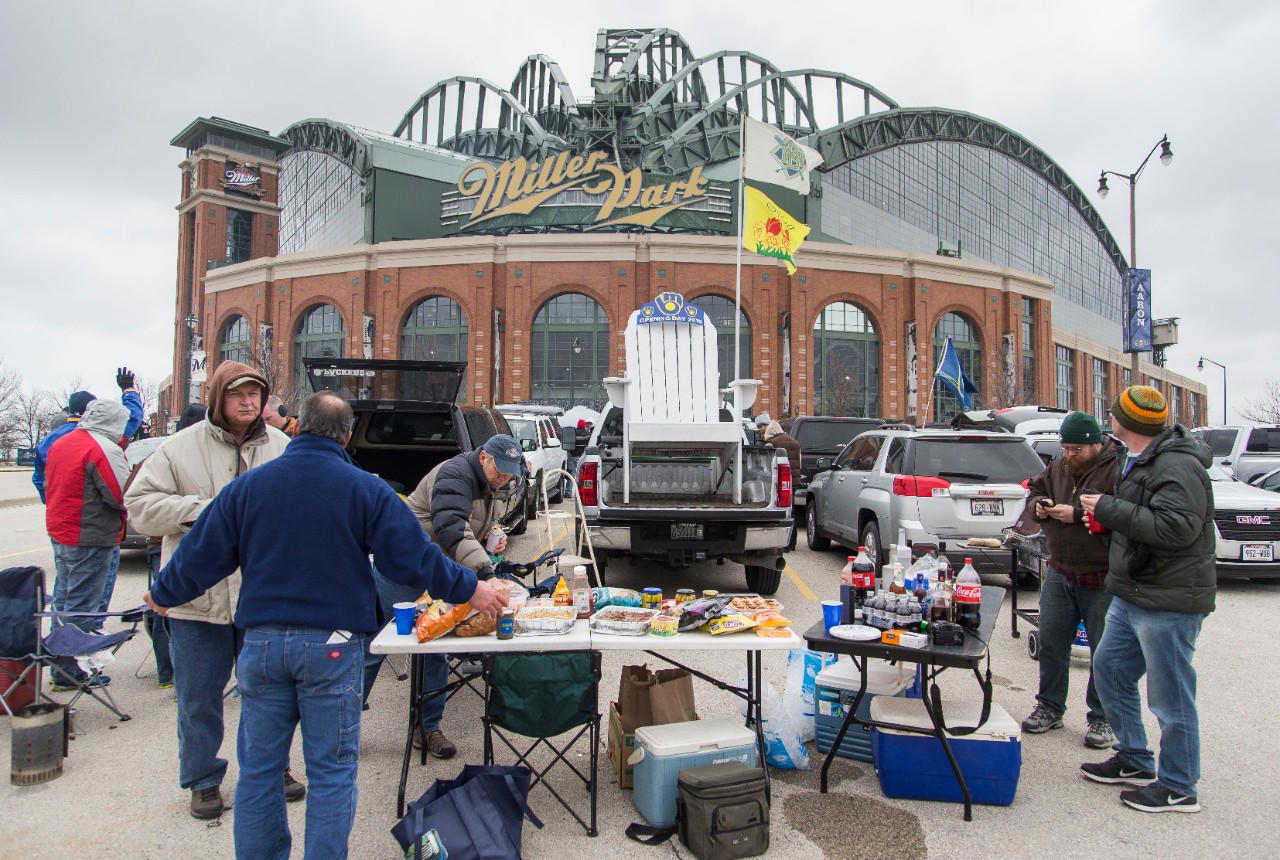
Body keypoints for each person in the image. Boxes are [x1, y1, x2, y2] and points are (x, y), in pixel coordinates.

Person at [144, 391, 509, 860]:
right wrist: (471, 588)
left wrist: (163, 593)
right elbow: (413, 558)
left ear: (297, 427)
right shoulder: (366, 489)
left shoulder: (249, 487)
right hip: (332, 648)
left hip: (262, 645)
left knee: (258, 771)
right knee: (331, 772)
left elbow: (200, 554)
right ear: (347, 435)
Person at [124, 362, 295, 820]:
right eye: (237, 394)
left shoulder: (282, 448)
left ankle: (271, 768)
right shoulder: (179, 448)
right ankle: (202, 780)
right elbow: (139, 507)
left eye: (255, 394)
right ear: (218, 397)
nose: (248, 402)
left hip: (262, 599)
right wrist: (204, 510)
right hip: (199, 601)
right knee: (198, 697)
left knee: (269, 695)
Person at [1079, 386, 1215, 814]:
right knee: (1110, 668)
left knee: (1170, 695)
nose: (1109, 417)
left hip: (1169, 599)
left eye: (1114, 412)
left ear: (1128, 422)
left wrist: (1109, 510)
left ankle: (1179, 785)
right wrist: (1108, 520)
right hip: (1133, 591)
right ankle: (1135, 758)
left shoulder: (1177, 464)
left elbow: (1177, 529)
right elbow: (1145, 518)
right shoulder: (1136, 457)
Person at [361, 434, 524, 758]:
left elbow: (471, 523)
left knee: (436, 644)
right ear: (484, 458)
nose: (503, 478)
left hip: (437, 569)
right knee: (374, 646)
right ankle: (341, 729)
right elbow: (451, 528)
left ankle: (427, 728)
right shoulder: (455, 474)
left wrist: (493, 536)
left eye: (509, 473)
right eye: (500, 470)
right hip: (403, 568)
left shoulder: (486, 481)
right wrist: (487, 574)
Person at [1021, 411, 1120, 749]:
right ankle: (1050, 706)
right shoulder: (1061, 466)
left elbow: (1122, 512)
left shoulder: (1117, 468)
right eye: (1066, 448)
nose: (1070, 455)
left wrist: (1077, 515)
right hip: (1061, 568)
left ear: (1095, 444)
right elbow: (1034, 490)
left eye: (1077, 449)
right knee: (1051, 642)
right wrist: (1039, 507)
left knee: (1104, 652)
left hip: (1102, 574)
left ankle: (1102, 718)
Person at [43, 399, 132, 691]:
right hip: (90, 536)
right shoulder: (102, 449)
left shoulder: (63, 443)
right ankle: (70, 670)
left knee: (64, 600)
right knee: (83, 606)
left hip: (62, 532)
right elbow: (122, 495)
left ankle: (60, 662)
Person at [33, 368, 143, 503]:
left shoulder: (48, 441)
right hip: (93, 512)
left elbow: (38, 477)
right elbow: (133, 416)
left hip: (58, 511)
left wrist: (51, 500)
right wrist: (128, 389)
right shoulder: (102, 433)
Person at [759, 420, 801, 551]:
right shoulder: (795, 442)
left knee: (777, 511)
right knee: (791, 511)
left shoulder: (772, 443)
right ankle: (792, 543)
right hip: (792, 481)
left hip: (777, 482)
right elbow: (800, 461)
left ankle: (781, 543)